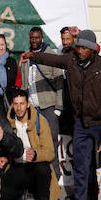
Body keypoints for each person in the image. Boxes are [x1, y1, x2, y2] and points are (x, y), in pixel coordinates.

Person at [22, 28, 101, 200]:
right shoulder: (71, 60)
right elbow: (51, 60)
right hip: (81, 124)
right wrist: (32, 55)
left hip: (100, 126)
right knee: (81, 167)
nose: (79, 50)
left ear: (92, 49)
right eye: (78, 47)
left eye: (83, 48)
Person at [1, 89, 60, 200]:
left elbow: (50, 152)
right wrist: (3, 157)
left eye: (22, 103)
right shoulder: (8, 122)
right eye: (15, 104)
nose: (19, 107)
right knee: (2, 198)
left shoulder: (40, 121)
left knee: (44, 169)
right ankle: (22, 190)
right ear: (12, 105)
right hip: (17, 165)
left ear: (28, 104)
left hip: (34, 166)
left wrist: (36, 155)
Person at [18, 26, 64, 178]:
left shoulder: (51, 55)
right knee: (33, 144)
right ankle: (37, 184)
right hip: (33, 109)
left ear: (42, 38)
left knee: (50, 145)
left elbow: (59, 82)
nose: (34, 40)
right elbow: (24, 84)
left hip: (49, 108)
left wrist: (58, 109)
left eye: (37, 37)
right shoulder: (27, 55)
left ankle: (54, 183)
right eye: (32, 37)